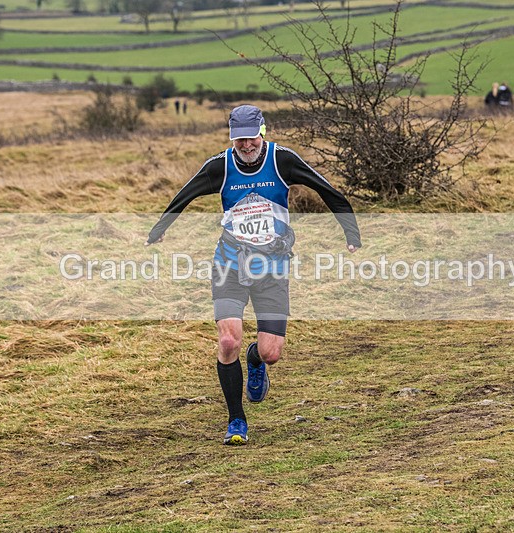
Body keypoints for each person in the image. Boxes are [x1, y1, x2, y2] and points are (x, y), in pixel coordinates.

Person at [144, 104, 362, 445]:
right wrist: (160, 228)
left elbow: (327, 190)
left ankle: (255, 359)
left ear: (262, 133)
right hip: (229, 263)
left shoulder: (283, 160)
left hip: (272, 268)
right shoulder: (221, 166)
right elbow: (184, 194)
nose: (245, 146)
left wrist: (351, 233)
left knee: (271, 352)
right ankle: (236, 420)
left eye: (250, 139)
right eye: (238, 140)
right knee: (227, 339)